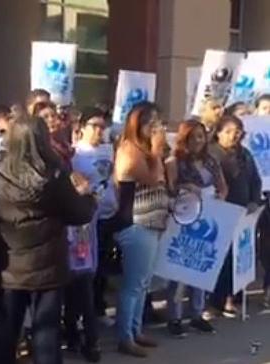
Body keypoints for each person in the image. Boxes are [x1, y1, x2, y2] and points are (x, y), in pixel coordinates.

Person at [0, 116, 97, 364]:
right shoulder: (53, 176)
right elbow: (79, 214)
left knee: (5, 331)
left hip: (9, 264)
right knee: (46, 333)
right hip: (47, 266)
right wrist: (88, 196)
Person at [113, 102, 170, 358]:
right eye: (151, 124)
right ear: (138, 125)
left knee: (144, 283)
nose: (156, 128)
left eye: (158, 122)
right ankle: (124, 337)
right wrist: (157, 151)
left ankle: (136, 330)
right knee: (134, 285)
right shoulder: (129, 150)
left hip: (153, 223)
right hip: (136, 224)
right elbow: (153, 178)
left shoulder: (146, 151)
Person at [64, 107, 118, 363]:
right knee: (80, 279)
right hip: (80, 227)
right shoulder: (74, 155)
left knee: (98, 274)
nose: (99, 130)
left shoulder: (107, 150)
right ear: (82, 127)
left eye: (102, 126)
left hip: (103, 218)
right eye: (94, 125)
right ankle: (80, 334)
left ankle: (91, 319)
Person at [165, 120, 228, 337]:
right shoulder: (175, 161)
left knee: (201, 266)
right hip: (184, 217)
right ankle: (174, 316)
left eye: (201, 136)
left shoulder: (210, 161)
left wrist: (220, 195)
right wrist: (186, 187)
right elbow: (170, 188)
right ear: (185, 139)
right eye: (193, 137)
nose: (198, 141)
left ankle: (196, 314)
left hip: (208, 215)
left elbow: (223, 185)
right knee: (180, 267)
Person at [209, 115, 262, 317]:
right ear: (219, 132)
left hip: (243, 213)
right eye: (229, 131)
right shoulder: (212, 154)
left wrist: (254, 201)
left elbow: (255, 180)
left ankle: (230, 298)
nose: (234, 135)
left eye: (238, 131)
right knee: (218, 259)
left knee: (237, 258)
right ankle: (213, 302)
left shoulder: (245, 154)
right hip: (220, 213)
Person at [33, 101, 74, 170]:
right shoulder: (40, 147)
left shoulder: (64, 142)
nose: (51, 119)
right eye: (45, 117)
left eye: (53, 115)